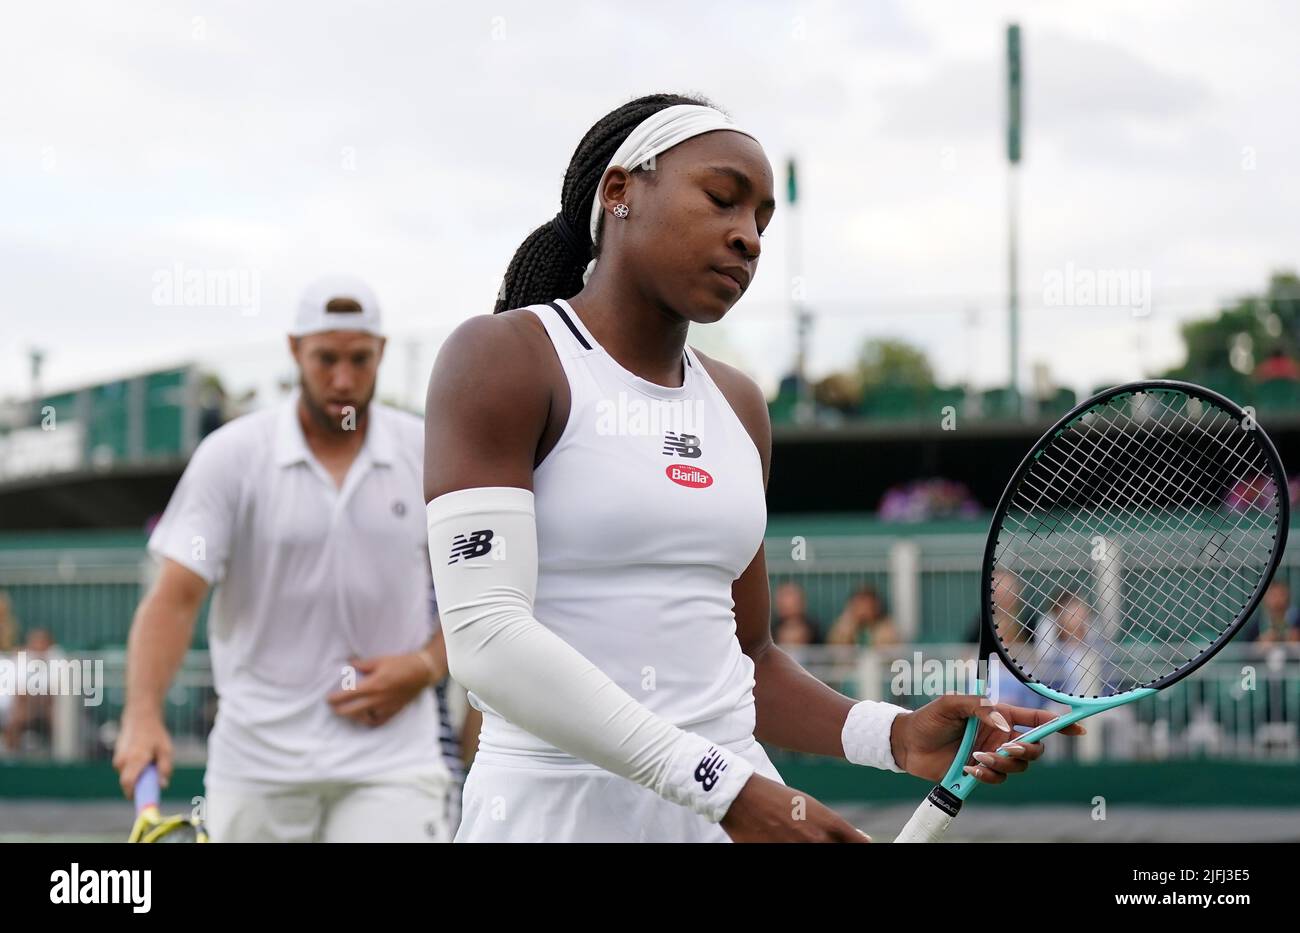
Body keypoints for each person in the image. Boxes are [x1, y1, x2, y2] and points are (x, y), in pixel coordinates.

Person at [423, 93, 1079, 843]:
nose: (748, 238)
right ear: (619, 192)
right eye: (722, 199)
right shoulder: (502, 356)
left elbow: (749, 660)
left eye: (762, 220)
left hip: (732, 801)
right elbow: (485, 640)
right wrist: (726, 788)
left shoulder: (739, 404)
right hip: (557, 810)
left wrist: (893, 737)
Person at [114, 277, 456, 842]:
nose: (342, 378)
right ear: (295, 349)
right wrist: (142, 713)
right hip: (256, 764)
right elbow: (175, 598)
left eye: (359, 359)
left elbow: (488, 587)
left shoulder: (426, 451)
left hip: (393, 765)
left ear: (382, 355)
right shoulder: (231, 456)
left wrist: (426, 665)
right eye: (325, 359)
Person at [827, 586, 900, 648]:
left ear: (876, 607)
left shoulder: (886, 628)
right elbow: (835, 650)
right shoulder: (843, 626)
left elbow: (888, 652)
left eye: (867, 606)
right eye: (859, 606)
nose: (863, 611)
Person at [771, 582, 821, 647]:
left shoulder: (814, 629)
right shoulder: (771, 630)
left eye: (790, 595)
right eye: (782, 596)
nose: (786, 602)